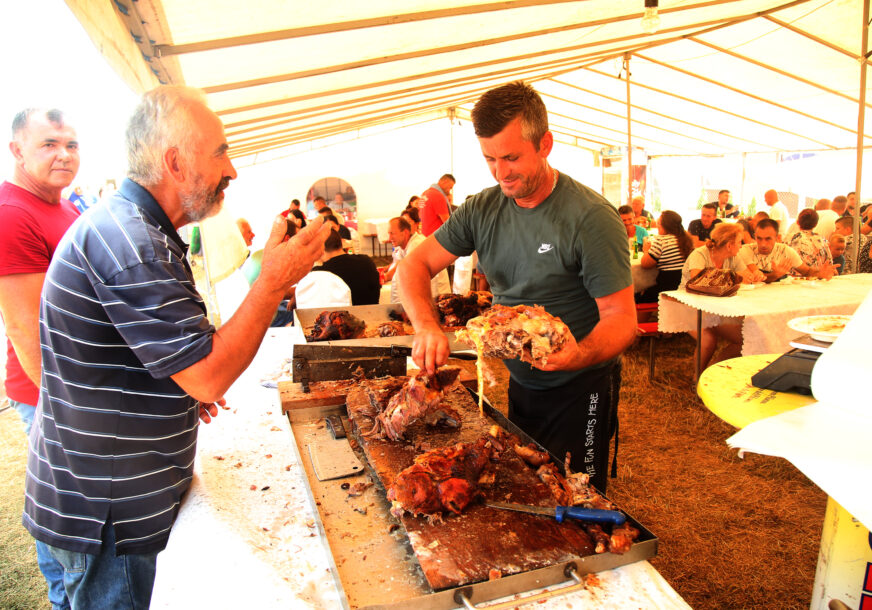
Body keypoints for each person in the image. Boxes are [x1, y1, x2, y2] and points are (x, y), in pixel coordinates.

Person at [23, 86, 331, 609]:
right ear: (175, 162)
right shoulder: (135, 243)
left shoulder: (137, 228)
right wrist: (272, 282)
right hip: (107, 512)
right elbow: (208, 374)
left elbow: (152, 349)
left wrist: (177, 385)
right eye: (220, 153)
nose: (230, 169)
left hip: (100, 494)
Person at [399, 82, 635, 493]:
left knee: (579, 493)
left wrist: (578, 354)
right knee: (531, 481)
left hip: (582, 385)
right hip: (523, 380)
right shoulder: (482, 208)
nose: (501, 172)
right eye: (490, 158)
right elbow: (414, 265)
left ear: (545, 144)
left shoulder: (590, 218)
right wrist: (426, 326)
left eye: (511, 157)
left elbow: (621, 320)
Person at [0, 107, 81, 610]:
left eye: (71, 144)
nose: (65, 155)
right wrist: (64, 408)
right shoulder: (12, 214)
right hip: (47, 392)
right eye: (49, 144)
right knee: (68, 520)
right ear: (17, 150)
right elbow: (25, 329)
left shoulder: (65, 208)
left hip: (74, 384)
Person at [680, 223, 762, 370]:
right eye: (739, 242)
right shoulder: (700, 254)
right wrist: (735, 276)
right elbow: (698, 279)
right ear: (729, 245)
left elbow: (744, 275)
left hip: (715, 307)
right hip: (688, 305)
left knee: (744, 339)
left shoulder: (733, 258)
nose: (741, 246)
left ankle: (712, 371)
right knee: (708, 340)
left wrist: (753, 276)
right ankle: (696, 379)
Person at [740, 218, 835, 282]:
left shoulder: (786, 251)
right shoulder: (746, 250)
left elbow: (806, 271)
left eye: (768, 239)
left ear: (777, 238)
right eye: (759, 238)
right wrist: (775, 275)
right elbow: (754, 277)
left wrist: (820, 273)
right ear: (755, 236)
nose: (763, 244)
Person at [385, 216, 449, 303]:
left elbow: (407, 272)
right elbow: (398, 265)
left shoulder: (416, 244)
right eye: (389, 233)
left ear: (405, 233)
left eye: (392, 233)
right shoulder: (402, 246)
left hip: (437, 294)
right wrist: (385, 276)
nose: (389, 238)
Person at [637, 210, 693, 302]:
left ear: (665, 226)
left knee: (640, 296)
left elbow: (645, 264)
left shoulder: (661, 240)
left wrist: (646, 250)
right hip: (683, 288)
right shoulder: (686, 239)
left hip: (666, 289)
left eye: (659, 223)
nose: (657, 226)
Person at [313, 228, 380, 304]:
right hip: (373, 313)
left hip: (343, 315)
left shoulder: (320, 273)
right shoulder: (367, 261)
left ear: (319, 248)